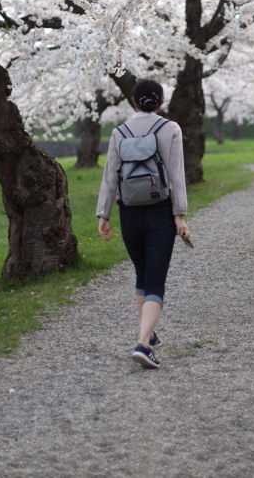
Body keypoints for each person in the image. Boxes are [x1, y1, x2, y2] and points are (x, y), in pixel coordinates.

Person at [96, 79, 190, 369]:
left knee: (141, 276)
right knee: (155, 281)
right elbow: (175, 174)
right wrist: (180, 214)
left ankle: (148, 334)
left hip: (128, 213)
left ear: (133, 102)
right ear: (160, 102)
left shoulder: (119, 132)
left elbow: (110, 176)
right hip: (160, 211)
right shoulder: (170, 128)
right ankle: (143, 344)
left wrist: (104, 215)